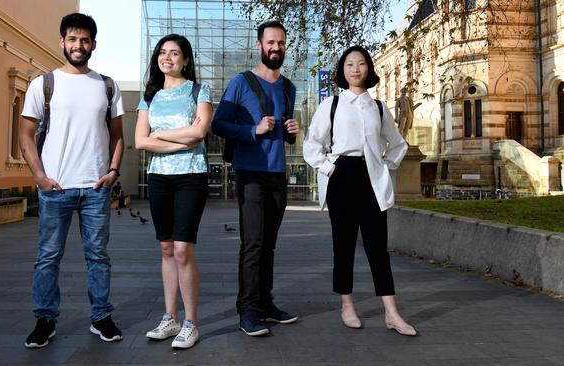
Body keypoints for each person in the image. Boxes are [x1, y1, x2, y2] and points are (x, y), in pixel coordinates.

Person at [19, 13, 125, 348]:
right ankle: (45, 320)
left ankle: (101, 317)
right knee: (48, 256)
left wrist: (112, 172)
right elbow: (25, 134)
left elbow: (118, 136)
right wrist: (39, 176)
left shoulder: (107, 85)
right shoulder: (44, 83)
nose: (78, 45)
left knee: (98, 255)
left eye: (85, 40)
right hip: (56, 188)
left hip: (95, 188)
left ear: (93, 44)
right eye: (72, 39)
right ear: (62, 42)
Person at [302, 45, 416, 336]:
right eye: (349, 64)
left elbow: (398, 145)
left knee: (378, 247)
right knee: (343, 244)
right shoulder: (332, 105)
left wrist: (384, 166)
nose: (355, 69)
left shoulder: (379, 107)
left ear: (369, 69)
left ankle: (391, 313)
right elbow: (312, 144)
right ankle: (347, 304)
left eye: (361, 63)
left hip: (371, 178)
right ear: (342, 70)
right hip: (342, 175)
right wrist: (329, 168)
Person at [212, 20, 299, 337]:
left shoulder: (289, 87)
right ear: (259, 45)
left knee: (269, 246)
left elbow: (282, 132)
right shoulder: (241, 82)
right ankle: (247, 310)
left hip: (278, 174)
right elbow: (218, 125)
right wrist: (252, 130)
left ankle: (266, 304)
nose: (276, 48)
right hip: (250, 174)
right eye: (271, 42)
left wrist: (291, 132)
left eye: (281, 43)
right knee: (253, 244)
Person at [135, 34, 212, 349]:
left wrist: (162, 134)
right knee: (166, 249)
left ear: (185, 59)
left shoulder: (199, 90)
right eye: (162, 52)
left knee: (183, 250)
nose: (167, 57)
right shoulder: (149, 96)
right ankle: (170, 317)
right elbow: (140, 141)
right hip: (159, 178)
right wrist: (182, 138)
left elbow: (200, 132)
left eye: (175, 53)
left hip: (191, 176)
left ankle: (191, 322)